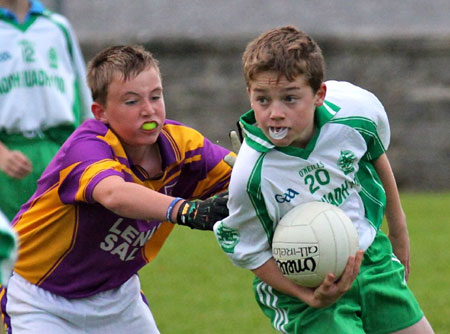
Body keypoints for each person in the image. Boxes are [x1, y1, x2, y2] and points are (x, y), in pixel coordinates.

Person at [214, 26, 434, 333]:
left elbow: (374, 152)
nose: (275, 113)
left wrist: (399, 230)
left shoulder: (355, 113)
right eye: (263, 100)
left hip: (369, 256)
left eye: (290, 99)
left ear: (319, 95)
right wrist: (308, 295)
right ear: (249, 94)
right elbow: (249, 250)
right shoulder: (250, 175)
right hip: (304, 284)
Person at [0, 45, 234, 334]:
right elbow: (114, 193)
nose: (149, 110)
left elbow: (248, 180)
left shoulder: (186, 147)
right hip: (40, 297)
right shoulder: (87, 146)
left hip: (117, 298)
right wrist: (185, 210)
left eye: (156, 97)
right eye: (131, 101)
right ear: (101, 112)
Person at [0, 0, 92, 221]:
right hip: (7, 156)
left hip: (59, 151)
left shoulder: (58, 27)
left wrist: (88, 148)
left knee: (63, 245)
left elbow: (83, 92)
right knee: (11, 249)